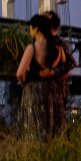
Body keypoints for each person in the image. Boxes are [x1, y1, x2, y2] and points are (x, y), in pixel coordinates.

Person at [16, 14, 64, 143]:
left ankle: (33, 154)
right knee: (49, 125)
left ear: (36, 29)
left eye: (30, 28)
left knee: (33, 126)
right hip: (51, 90)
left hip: (33, 89)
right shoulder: (57, 49)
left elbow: (20, 73)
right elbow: (61, 67)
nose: (29, 30)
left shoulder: (31, 48)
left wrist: (24, 82)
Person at [41, 10, 77, 138]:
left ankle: (60, 145)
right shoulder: (52, 43)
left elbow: (71, 63)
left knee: (53, 123)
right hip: (56, 89)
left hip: (56, 89)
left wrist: (52, 73)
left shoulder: (57, 43)